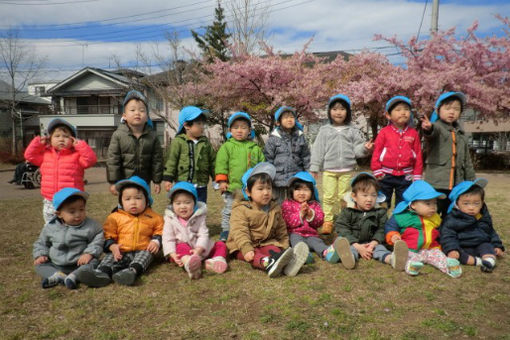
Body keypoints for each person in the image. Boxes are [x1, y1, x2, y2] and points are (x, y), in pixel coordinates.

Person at [226, 162, 309, 278]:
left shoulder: (274, 208)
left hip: (266, 242)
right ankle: (268, 263)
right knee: (255, 255)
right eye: (260, 189)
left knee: (275, 250)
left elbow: (281, 230)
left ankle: (287, 264)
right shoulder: (241, 209)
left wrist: (285, 247)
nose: (266, 192)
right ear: (248, 192)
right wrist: (246, 248)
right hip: (242, 246)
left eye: (269, 188)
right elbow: (239, 231)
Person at [77, 176, 163, 287]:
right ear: (121, 201)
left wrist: (156, 241)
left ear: (147, 199)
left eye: (138, 198)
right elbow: (108, 235)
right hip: (120, 250)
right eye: (127, 199)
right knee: (110, 257)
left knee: (147, 254)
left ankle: (131, 272)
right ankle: (101, 273)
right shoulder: (115, 217)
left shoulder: (154, 217)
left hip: (142, 249)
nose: (133, 202)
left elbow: (160, 230)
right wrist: (112, 246)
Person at [310, 94, 373, 234]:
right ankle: (328, 221)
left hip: (347, 169)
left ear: (348, 112)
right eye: (335, 109)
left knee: (344, 196)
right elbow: (318, 150)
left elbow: (357, 149)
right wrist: (314, 167)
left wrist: (364, 148)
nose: (338, 112)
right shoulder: (324, 130)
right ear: (329, 112)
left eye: (342, 109)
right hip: (329, 170)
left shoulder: (352, 130)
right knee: (328, 196)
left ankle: (343, 219)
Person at [24, 118, 97, 223]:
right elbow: (29, 155)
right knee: (50, 227)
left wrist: (80, 145)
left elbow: (90, 160)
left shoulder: (76, 156)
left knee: (71, 225)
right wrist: (38, 143)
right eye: (57, 136)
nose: (61, 139)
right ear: (50, 139)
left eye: (66, 136)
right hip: (50, 200)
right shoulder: (45, 154)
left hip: (70, 200)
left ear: (73, 140)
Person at [385, 180, 462, 277]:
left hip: (430, 249)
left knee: (439, 256)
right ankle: (411, 267)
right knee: (405, 257)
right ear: (413, 204)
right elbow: (391, 226)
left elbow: (442, 232)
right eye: (428, 203)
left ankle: (450, 267)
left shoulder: (436, 218)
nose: (433, 207)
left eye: (435, 203)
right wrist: (393, 235)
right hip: (410, 249)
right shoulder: (402, 216)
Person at [333, 172, 408, 270]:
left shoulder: (380, 212)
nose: (369, 199)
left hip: (373, 243)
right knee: (349, 249)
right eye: (364, 195)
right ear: (354, 196)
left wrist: (373, 243)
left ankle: (393, 259)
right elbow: (341, 227)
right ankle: (349, 258)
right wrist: (357, 245)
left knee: (381, 250)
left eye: (373, 195)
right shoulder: (348, 211)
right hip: (353, 242)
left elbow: (382, 229)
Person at [33, 188, 104, 289]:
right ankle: (57, 275)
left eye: (81, 209)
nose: (78, 214)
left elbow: (98, 238)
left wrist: (89, 253)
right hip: (57, 263)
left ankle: (74, 276)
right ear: (59, 214)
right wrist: (40, 255)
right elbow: (41, 242)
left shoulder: (91, 226)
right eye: (72, 211)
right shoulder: (51, 227)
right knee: (39, 265)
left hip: (79, 263)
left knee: (95, 262)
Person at [420, 92, 475, 217]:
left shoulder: (461, 133)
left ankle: (447, 234)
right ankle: (431, 234)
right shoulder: (437, 127)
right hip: (437, 183)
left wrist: (471, 181)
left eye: (456, 109)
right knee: (432, 211)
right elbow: (432, 132)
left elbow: (467, 160)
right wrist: (429, 128)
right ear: (438, 111)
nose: (452, 112)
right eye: (447, 108)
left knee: (451, 213)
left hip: (457, 183)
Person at [215, 112, 265, 241]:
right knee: (229, 210)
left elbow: (261, 166)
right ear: (230, 130)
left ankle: (248, 231)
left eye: (243, 127)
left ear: (249, 131)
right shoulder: (227, 147)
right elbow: (221, 164)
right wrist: (222, 181)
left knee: (250, 210)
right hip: (232, 187)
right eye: (236, 127)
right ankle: (226, 231)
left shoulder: (255, 148)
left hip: (250, 188)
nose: (239, 130)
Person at [162, 182, 228, 279]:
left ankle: (216, 261)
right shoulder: (170, 219)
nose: (183, 206)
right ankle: (189, 263)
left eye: (187, 202)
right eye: (178, 203)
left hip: (200, 248)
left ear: (195, 203)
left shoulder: (199, 216)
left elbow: (203, 234)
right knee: (180, 246)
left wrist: (199, 249)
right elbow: (167, 238)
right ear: (172, 204)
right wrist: (172, 254)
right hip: (182, 251)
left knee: (221, 245)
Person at [440, 179, 504, 273]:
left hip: (481, 244)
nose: (471, 207)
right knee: (457, 255)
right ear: (457, 204)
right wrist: (452, 249)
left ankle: (489, 261)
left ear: (482, 203)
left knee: (488, 247)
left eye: (476, 203)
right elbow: (448, 236)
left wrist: (497, 245)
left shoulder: (482, 216)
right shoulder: (452, 218)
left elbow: (491, 231)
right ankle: (479, 262)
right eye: (466, 203)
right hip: (462, 246)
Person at [106, 90, 163, 196]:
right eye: (132, 110)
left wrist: (157, 180)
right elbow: (113, 160)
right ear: (125, 115)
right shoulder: (118, 135)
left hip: (145, 182)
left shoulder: (152, 136)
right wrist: (113, 182)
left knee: (144, 205)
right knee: (125, 208)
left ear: (147, 116)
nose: (137, 113)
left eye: (142, 110)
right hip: (125, 182)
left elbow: (157, 160)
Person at [371, 96, 423, 208]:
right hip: (385, 175)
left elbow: (418, 155)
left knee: (404, 203)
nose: (403, 112)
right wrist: (377, 169)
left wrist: (417, 174)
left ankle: (400, 224)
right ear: (388, 115)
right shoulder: (384, 132)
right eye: (398, 110)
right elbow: (377, 152)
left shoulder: (413, 133)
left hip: (406, 176)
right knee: (382, 201)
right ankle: (381, 222)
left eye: (406, 109)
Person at [281, 171, 339, 263]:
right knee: (298, 244)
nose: (302, 193)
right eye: (298, 189)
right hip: (295, 234)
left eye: (306, 190)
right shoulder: (287, 204)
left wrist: (310, 214)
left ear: (312, 192)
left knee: (318, 243)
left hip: (312, 235)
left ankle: (327, 253)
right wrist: (300, 214)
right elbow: (287, 221)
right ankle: (304, 255)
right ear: (292, 190)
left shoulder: (315, 205)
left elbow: (319, 222)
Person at [162, 106, 216, 203]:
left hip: (201, 185)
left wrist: (217, 178)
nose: (202, 126)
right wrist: (168, 179)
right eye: (198, 123)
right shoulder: (178, 142)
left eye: (202, 123)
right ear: (187, 126)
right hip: (183, 184)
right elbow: (171, 161)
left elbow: (213, 162)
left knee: (200, 210)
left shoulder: (205, 143)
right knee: (184, 209)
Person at [264, 106, 311, 203]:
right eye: (285, 117)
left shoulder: (300, 136)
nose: (289, 119)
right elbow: (268, 159)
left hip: (296, 177)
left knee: (295, 203)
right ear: (278, 122)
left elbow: (306, 156)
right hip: (278, 178)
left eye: (291, 117)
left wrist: (308, 172)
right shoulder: (273, 139)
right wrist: (269, 177)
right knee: (278, 203)